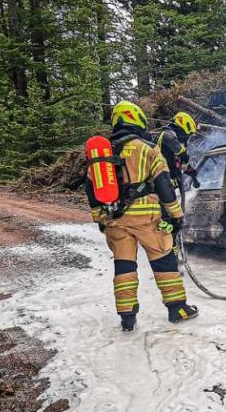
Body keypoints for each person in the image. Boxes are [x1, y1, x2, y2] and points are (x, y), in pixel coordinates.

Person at [85, 101, 198, 332]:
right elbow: (164, 186)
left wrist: (99, 218)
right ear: (136, 119)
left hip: (115, 220)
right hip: (147, 218)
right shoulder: (148, 149)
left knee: (124, 267)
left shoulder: (103, 155)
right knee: (164, 261)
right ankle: (177, 309)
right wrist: (176, 215)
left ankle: (127, 318)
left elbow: (91, 189)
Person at [155, 112, 200, 189]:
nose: (187, 138)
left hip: (167, 183)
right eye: (188, 134)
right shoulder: (166, 135)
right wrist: (185, 160)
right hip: (159, 181)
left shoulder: (174, 140)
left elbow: (176, 162)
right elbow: (181, 152)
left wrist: (190, 171)